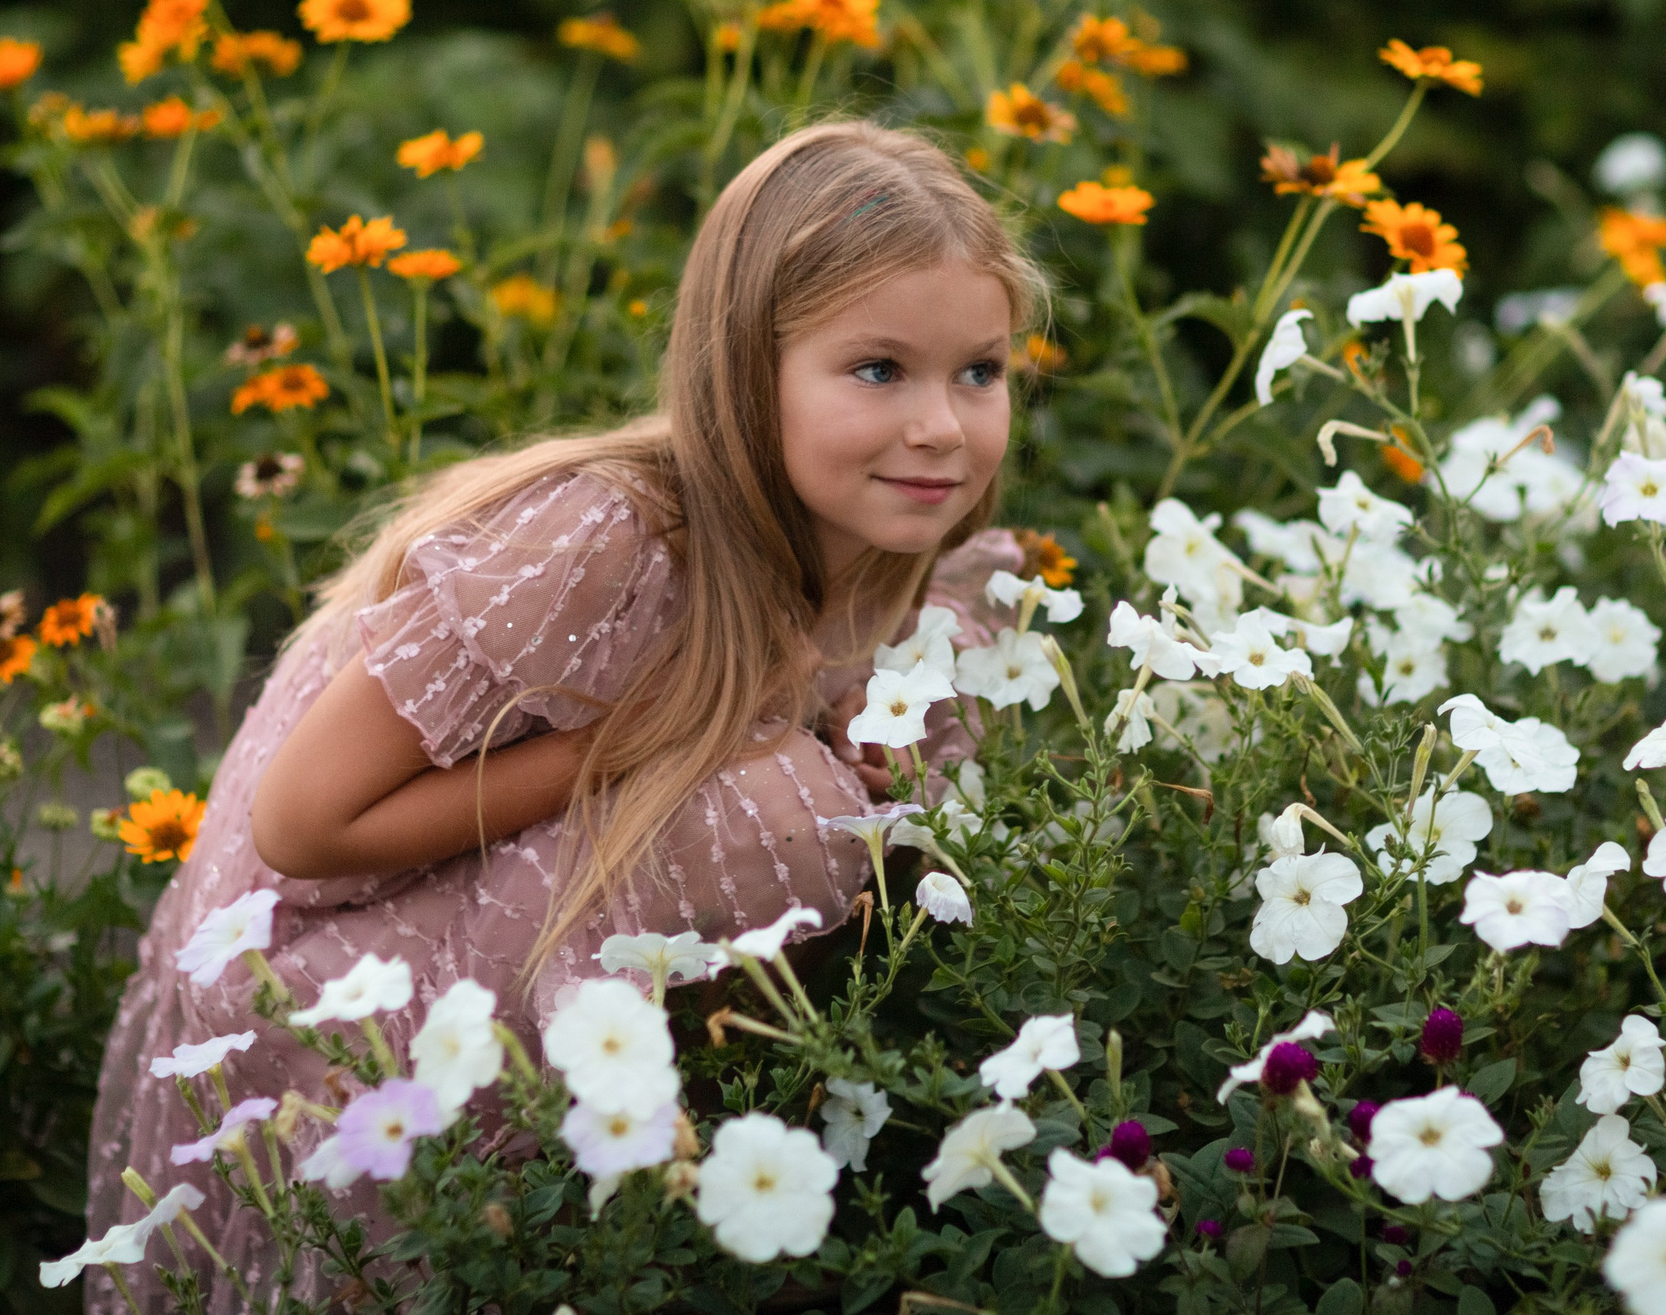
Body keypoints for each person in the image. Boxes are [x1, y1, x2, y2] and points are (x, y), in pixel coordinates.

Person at [84, 122, 1050, 1311]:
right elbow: (301, 823)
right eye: (877, 370)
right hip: (329, 987)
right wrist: (641, 738)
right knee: (765, 804)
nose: (942, 426)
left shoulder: (924, 582)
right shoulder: (609, 542)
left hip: (558, 958)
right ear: (746, 372)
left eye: (980, 370)